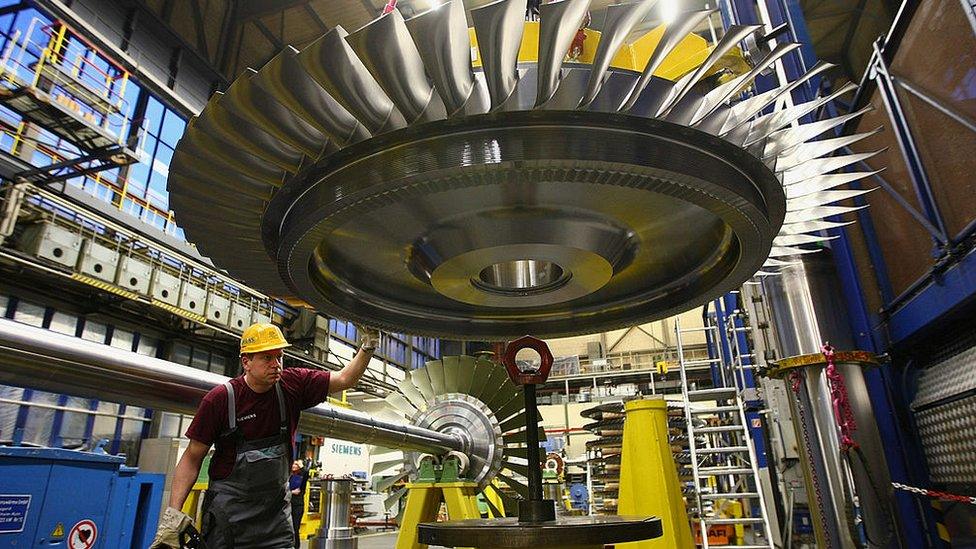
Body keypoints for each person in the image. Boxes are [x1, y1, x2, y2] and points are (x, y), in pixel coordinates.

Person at [151, 322, 378, 548]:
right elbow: (192, 458)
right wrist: (173, 515)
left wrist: (367, 347)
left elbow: (344, 379)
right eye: (267, 358)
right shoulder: (221, 399)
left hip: (275, 522)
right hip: (229, 520)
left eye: (279, 356)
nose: (276, 364)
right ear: (246, 362)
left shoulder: (291, 385)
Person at [289, 460, 310, 548]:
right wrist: (291, 492)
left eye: (296, 464)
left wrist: (302, 466)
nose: (294, 465)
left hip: (298, 506)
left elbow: (306, 474)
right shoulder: (290, 476)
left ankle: (296, 546)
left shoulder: (302, 479)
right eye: (293, 463)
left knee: (295, 528)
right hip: (288, 505)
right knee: (288, 528)